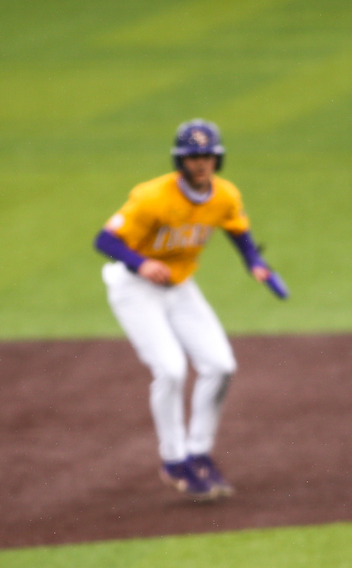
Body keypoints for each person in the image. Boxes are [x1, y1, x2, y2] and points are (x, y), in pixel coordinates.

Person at [93, 119, 286, 499]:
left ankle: (198, 453)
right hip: (135, 289)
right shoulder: (152, 197)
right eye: (193, 156)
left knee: (221, 365)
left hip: (180, 287)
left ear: (217, 159)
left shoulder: (224, 195)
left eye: (208, 156)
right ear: (180, 160)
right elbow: (105, 240)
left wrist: (255, 263)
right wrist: (140, 263)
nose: (201, 163)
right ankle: (174, 460)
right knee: (170, 369)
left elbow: (237, 229)